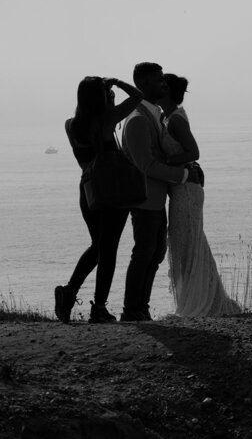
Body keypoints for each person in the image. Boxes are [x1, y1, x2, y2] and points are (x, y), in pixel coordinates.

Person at [56, 76, 144, 323]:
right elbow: (138, 96)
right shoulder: (107, 120)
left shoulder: (70, 125)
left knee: (98, 246)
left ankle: (69, 292)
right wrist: (116, 83)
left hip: (88, 191)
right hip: (112, 189)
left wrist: (107, 92)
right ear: (102, 97)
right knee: (108, 249)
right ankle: (99, 308)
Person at [120, 62, 203, 321]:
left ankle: (141, 308)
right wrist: (184, 174)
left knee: (154, 253)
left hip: (156, 199)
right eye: (159, 81)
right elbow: (147, 165)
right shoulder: (136, 120)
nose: (164, 85)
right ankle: (132, 309)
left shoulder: (152, 115)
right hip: (144, 199)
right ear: (142, 85)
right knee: (144, 252)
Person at [158, 74, 241, 316]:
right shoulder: (166, 116)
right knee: (188, 243)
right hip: (180, 189)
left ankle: (201, 303)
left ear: (167, 91)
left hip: (186, 190)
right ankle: (203, 298)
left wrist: (164, 161)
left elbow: (193, 151)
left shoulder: (175, 121)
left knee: (189, 243)